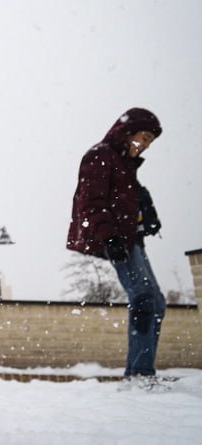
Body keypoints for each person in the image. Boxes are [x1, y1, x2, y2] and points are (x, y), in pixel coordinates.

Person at [67, 107, 166, 379]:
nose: (145, 146)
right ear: (127, 132)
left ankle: (140, 372)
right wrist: (109, 237)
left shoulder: (126, 166)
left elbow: (129, 202)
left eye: (149, 141)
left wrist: (147, 215)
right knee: (143, 298)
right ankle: (139, 375)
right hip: (116, 239)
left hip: (131, 239)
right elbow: (91, 202)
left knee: (156, 303)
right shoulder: (100, 155)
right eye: (143, 137)